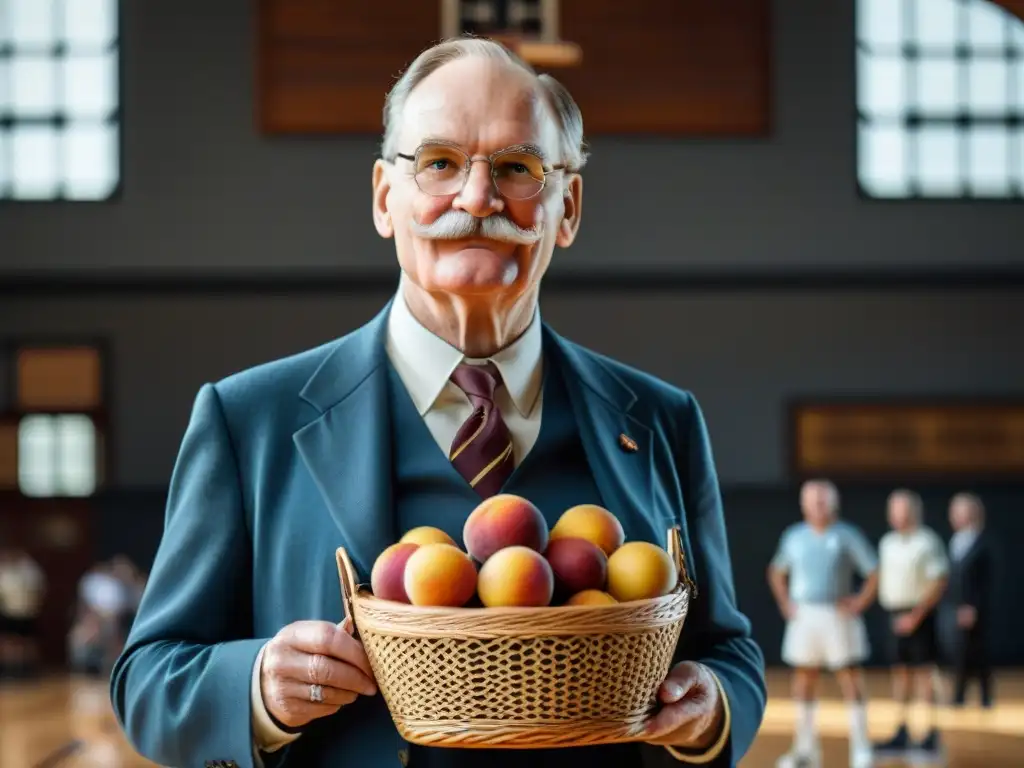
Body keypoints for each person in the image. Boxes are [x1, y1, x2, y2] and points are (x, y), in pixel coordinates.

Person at [110, 36, 766, 768]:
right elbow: (149, 679)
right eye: (440, 163)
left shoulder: (664, 421)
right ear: (386, 200)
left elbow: (727, 650)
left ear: (568, 207)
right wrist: (256, 689)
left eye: (517, 168)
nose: (477, 198)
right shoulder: (248, 422)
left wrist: (711, 709)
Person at [767, 479, 878, 768]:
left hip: (837, 614)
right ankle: (805, 750)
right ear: (803, 504)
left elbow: (873, 571)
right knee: (803, 679)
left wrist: (859, 601)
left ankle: (861, 747)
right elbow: (776, 571)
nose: (817, 504)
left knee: (850, 677)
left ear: (833, 503)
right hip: (805, 615)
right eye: (812, 499)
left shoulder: (846, 535)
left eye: (822, 499)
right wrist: (785, 603)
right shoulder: (794, 536)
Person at [873, 489, 949, 764]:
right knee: (900, 673)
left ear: (915, 512)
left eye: (903, 509)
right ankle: (902, 728)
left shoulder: (927, 541)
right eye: (894, 510)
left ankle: (930, 731)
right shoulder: (887, 542)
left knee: (925, 674)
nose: (898, 515)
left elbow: (938, 581)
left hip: (919, 614)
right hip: (894, 613)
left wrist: (916, 616)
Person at [946, 492, 994, 708]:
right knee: (960, 651)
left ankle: (985, 697)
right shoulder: (956, 541)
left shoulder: (982, 543)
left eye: (960, 511)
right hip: (956, 606)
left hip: (975, 608)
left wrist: (973, 606)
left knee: (978, 652)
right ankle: (959, 695)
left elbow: (984, 580)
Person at [0, 546, 46, 678]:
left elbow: (38, 590)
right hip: (8, 612)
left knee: (26, 642)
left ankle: (27, 669)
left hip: (26, 613)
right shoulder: (4, 570)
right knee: (8, 641)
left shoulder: (29, 569)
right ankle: (10, 669)